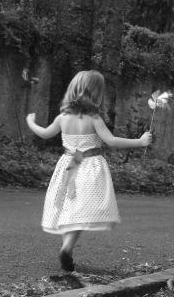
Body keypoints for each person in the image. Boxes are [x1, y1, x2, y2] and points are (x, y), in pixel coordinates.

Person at [26, 70, 153, 272]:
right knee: (81, 211)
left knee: (70, 208)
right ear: (96, 94)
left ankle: (67, 247)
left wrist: (31, 122)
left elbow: (44, 134)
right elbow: (111, 141)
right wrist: (140, 141)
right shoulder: (94, 118)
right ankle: (67, 247)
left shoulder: (62, 118)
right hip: (90, 167)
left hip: (68, 166)